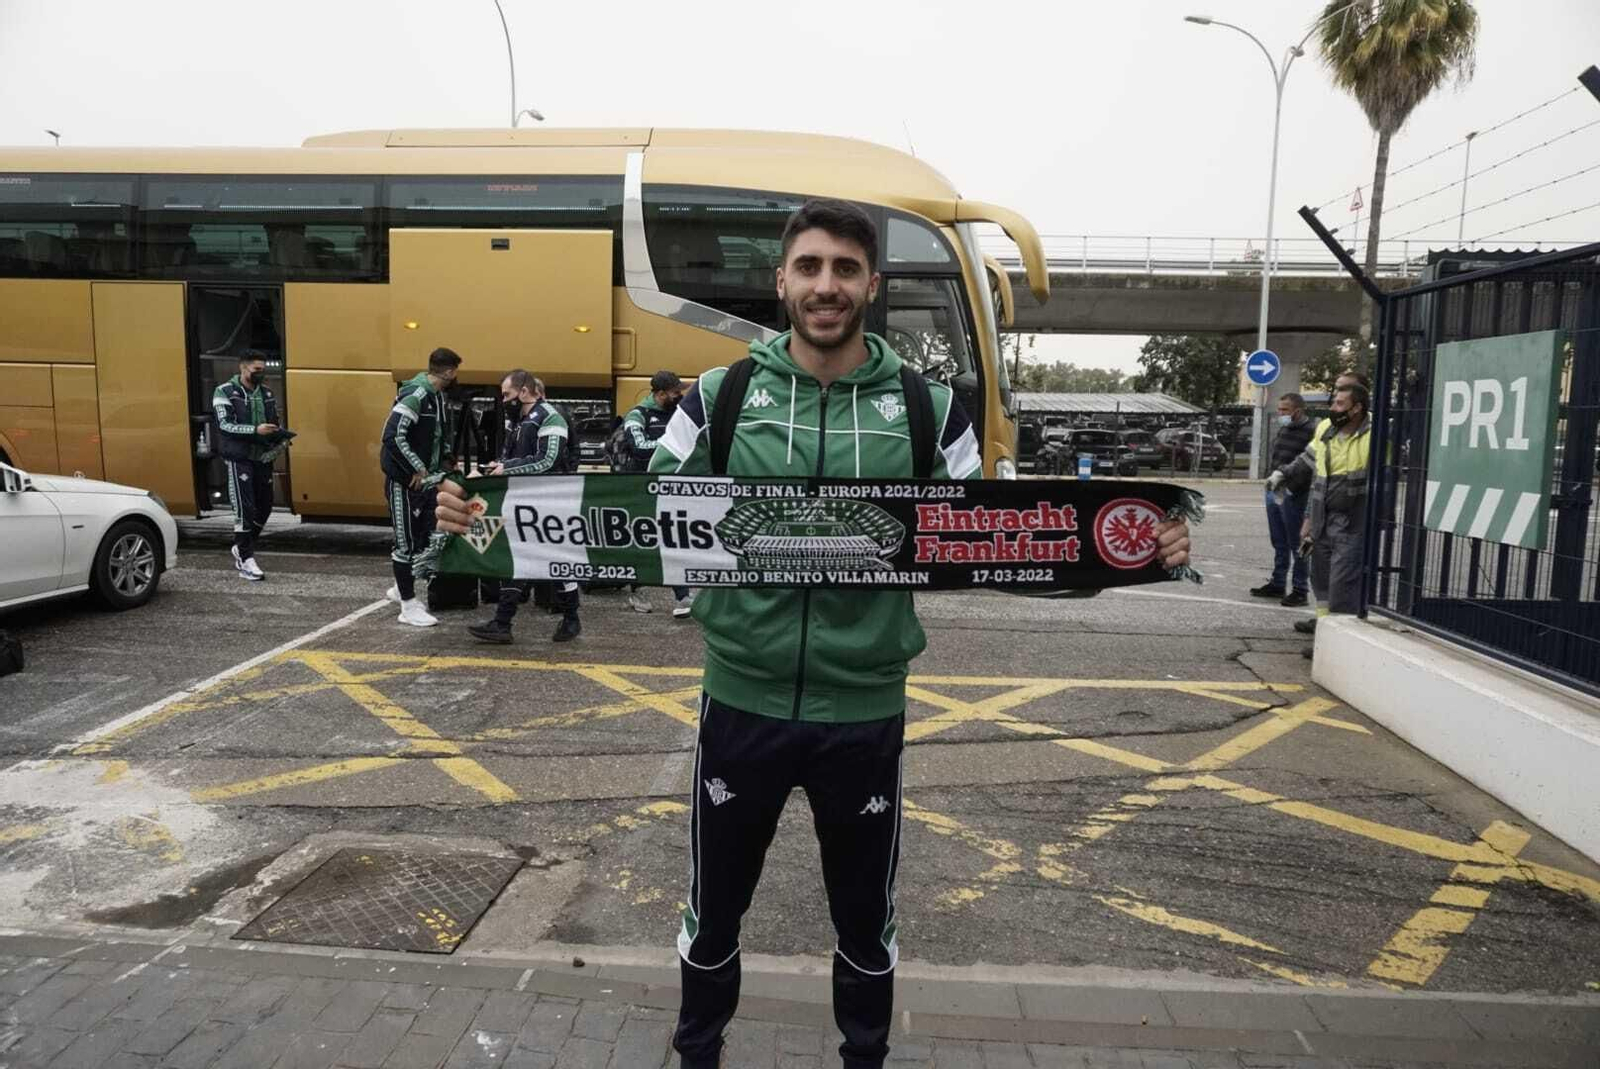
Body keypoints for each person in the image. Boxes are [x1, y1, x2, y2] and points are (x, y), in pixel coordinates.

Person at [437, 199, 1191, 1069]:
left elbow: (998, 542)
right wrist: (477, 519)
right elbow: (626, 518)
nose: (825, 285)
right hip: (741, 704)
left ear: (870, 283)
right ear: (782, 280)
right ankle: (697, 1055)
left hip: (864, 713)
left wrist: (1134, 552)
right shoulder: (720, 398)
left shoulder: (928, 409)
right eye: (808, 267)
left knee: (865, 920)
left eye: (842, 268)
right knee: (713, 910)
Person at [466, 371, 582, 644]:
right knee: (518, 559)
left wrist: (506, 468)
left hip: (552, 502)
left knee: (559, 561)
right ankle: (503, 623)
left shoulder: (551, 417)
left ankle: (571, 618)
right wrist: (493, 467)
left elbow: (548, 460)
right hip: (524, 501)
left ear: (525, 392)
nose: (504, 400)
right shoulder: (517, 422)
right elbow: (513, 457)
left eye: (507, 395)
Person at [1274, 381, 1372, 657]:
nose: (1333, 408)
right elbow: (1312, 468)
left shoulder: (1373, 436)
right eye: (1333, 402)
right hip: (1322, 519)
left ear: (1357, 408)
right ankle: (1325, 633)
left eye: (1340, 404)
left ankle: (1337, 648)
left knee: (1342, 583)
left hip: (1353, 521)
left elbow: (1381, 484)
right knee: (1322, 580)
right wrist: (1285, 475)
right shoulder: (1326, 430)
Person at [381, 346, 461, 627]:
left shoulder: (436, 397)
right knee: (406, 543)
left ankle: (399, 588)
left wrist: (448, 459)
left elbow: (437, 434)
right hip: (404, 483)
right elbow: (391, 435)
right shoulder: (415, 394)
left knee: (424, 537)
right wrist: (415, 467)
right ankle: (407, 605)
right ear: (450, 371)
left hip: (426, 482)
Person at [617, 369, 696, 618]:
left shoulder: (677, 414)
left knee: (672, 538)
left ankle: (683, 596)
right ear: (661, 394)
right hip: (640, 488)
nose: (680, 396)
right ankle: (637, 592)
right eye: (675, 392)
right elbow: (639, 447)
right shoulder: (637, 415)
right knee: (643, 540)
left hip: (669, 487)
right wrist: (673, 447)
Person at [212, 352, 284, 581]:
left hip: (262, 457)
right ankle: (245, 557)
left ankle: (243, 545)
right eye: (256, 370)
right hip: (239, 458)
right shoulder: (225, 391)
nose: (261, 374)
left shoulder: (267, 393)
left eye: (263, 369)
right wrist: (255, 430)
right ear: (243, 368)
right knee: (245, 508)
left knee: (265, 506)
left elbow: (274, 422)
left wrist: (279, 436)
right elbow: (224, 426)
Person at [1251, 393, 1313, 607]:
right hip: (1275, 489)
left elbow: (1308, 465)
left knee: (1299, 544)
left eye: (1285, 410)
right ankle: (1278, 583)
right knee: (1279, 541)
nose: (1280, 414)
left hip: (1295, 493)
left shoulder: (1311, 432)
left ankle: (1300, 589)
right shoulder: (1285, 429)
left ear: (1298, 410)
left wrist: (1292, 487)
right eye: (1279, 409)